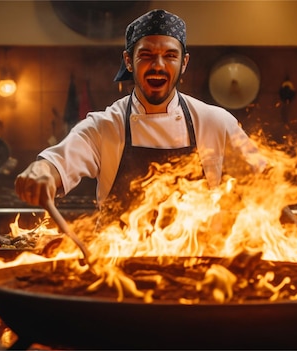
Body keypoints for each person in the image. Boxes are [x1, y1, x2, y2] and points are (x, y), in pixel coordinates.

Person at [15, 9, 267, 224]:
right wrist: (42, 169)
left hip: (198, 271)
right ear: (128, 60)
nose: (158, 65)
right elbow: (57, 163)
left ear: (184, 63)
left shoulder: (216, 122)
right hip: (118, 272)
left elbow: (268, 188)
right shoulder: (104, 127)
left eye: (170, 56)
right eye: (146, 55)